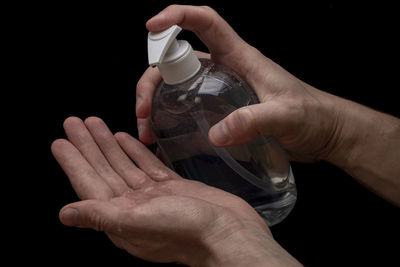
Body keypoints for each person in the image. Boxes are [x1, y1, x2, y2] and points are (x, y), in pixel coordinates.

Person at [51, 5, 400, 267]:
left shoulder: (219, 82)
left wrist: (221, 239)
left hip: (276, 195)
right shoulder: (172, 99)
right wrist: (335, 132)